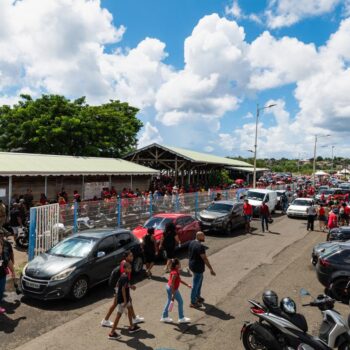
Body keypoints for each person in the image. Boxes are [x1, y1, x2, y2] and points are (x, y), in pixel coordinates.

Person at [101, 251, 144, 328]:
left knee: (127, 302)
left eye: (132, 255)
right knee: (122, 303)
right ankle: (106, 322)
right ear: (126, 257)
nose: (132, 257)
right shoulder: (125, 265)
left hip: (120, 287)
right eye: (130, 256)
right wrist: (129, 287)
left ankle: (134, 319)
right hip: (119, 288)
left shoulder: (125, 264)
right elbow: (123, 280)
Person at [108, 262, 140, 340]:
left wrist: (131, 287)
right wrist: (125, 301)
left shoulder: (123, 275)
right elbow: (122, 289)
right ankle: (112, 333)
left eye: (131, 268)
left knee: (129, 310)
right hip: (122, 299)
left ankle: (132, 327)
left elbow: (122, 285)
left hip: (124, 298)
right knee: (118, 315)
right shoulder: (125, 277)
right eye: (129, 268)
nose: (130, 269)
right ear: (125, 269)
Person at [188, 231, 216, 308]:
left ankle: (197, 296)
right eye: (203, 236)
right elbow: (204, 258)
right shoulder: (200, 247)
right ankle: (193, 302)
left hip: (192, 265)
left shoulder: (192, 242)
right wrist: (211, 269)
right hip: (197, 267)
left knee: (199, 280)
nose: (204, 237)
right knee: (196, 284)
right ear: (199, 236)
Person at [161, 258, 191, 324]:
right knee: (180, 301)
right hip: (172, 288)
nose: (180, 264)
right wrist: (173, 294)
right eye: (179, 263)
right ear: (177, 265)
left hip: (168, 287)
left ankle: (164, 316)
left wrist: (187, 285)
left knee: (169, 301)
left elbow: (179, 280)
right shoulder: (175, 273)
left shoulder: (175, 271)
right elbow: (172, 284)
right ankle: (181, 318)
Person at [0, 238, 16, 314]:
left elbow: (9, 262)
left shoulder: (4, 254)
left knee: (1, 291)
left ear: (2, 247)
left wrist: (13, 272)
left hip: (2, 276)